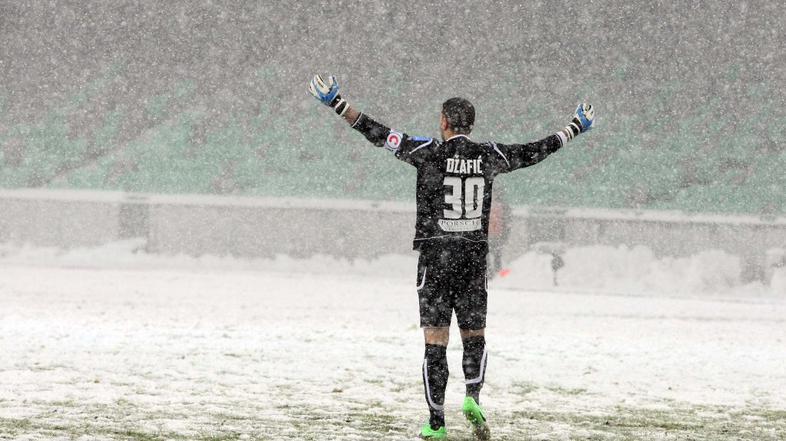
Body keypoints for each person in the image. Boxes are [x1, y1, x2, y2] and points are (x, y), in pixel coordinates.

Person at [308, 74, 594, 440]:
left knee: (435, 342)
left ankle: (436, 423)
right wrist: (574, 128)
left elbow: (377, 133)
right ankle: (473, 396)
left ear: (444, 122)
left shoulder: (426, 151)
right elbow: (535, 150)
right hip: (471, 260)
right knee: (475, 336)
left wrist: (338, 103)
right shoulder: (490, 155)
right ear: (470, 125)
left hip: (436, 259)